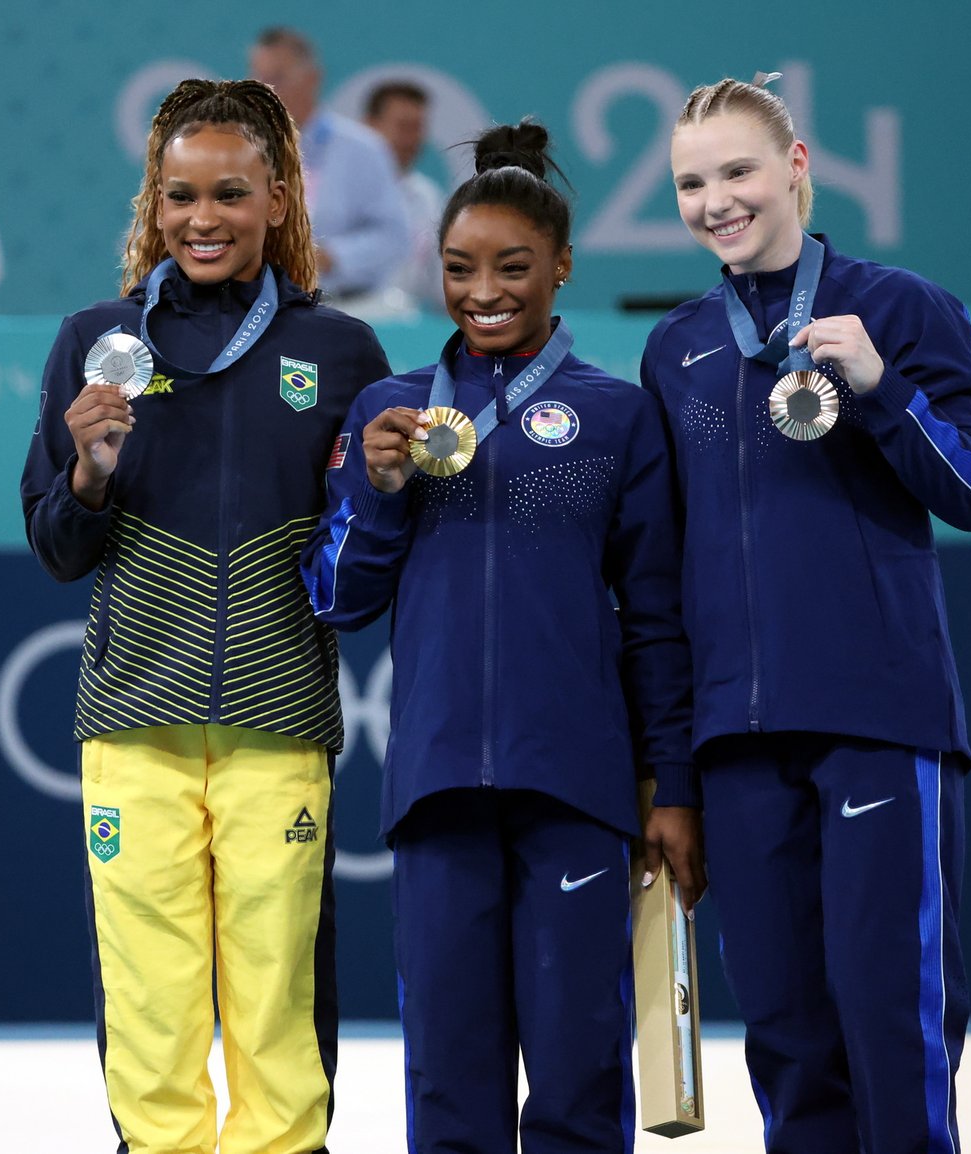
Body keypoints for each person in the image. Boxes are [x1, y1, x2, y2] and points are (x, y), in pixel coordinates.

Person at [301, 120, 706, 1153]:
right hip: (436, 786)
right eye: (457, 268)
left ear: (561, 265)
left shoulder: (615, 416)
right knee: (448, 1079)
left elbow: (655, 617)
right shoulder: (390, 408)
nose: (483, 289)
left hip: (574, 789)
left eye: (513, 266)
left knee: (578, 1071)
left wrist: (670, 784)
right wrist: (381, 492)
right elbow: (339, 596)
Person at [20, 78, 392, 1154]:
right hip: (133, 723)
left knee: (277, 997)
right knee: (150, 999)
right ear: (154, 199)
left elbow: (352, 573)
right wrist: (89, 471)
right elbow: (55, 547)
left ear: (277, 197)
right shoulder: (96, 340)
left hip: (279, 724)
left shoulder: (339, 352)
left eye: (228, 192)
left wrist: (384, 495)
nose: (201, 218)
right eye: (178, 194)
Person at [641, 71, 971, 1154]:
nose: (717, 199)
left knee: (891, 1019)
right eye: (690, 182)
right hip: (739, 742)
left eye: (738, 170)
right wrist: (676, 764)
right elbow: (657, 576)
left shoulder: (899, 306)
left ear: (796, 168)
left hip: (876, 723)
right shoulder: (678, 348)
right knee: (790, 1040)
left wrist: (882, 386)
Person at [249, 26, 409, 303]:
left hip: (346, 305)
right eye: (258, 79)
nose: (264, 91)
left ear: (312, 79)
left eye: (276, 78)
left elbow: (393, 236)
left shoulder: (362, 149)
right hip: (259, 306)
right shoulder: (242, 150)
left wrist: (332, 256)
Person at [364, 80, 447, 312]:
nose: (411, 139)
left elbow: (441, 283)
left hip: (402, 327)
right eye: (402, 126)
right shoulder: (334, 193)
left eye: (418, 127)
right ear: (369, 125)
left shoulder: (428, 197)